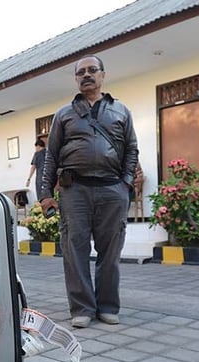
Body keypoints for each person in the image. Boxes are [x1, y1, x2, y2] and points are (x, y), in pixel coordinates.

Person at [38, 55, 139, 329]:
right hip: (75, 191)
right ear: (75, 79)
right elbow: (51, 156)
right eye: (80, 72)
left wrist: (125, 183)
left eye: (92, 70)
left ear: (103, 75)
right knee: (75, 252)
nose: (86, 75)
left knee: (110, 253)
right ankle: (82, 308)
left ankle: (107, 306)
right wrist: (45, 193)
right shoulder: (64, 114)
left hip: (112, 190)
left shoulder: (121, 111)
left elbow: (132, 149)